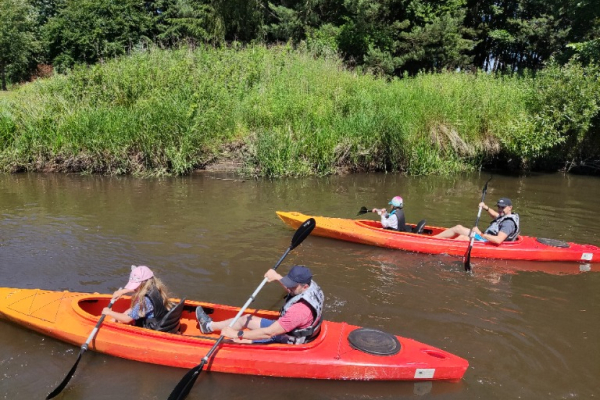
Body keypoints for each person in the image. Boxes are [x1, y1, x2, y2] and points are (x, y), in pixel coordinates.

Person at [195, 265, 324, 345]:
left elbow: (269, 333)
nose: (288, 287)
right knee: (245, 318)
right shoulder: (310, 285)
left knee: (235, 341)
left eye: (292, 286)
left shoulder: (299, 311)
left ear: (305, 286)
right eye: (288, 283)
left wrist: (237, 334)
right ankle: (208, 326)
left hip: (289, 339)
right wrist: (277, 277)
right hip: (295, 328)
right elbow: (292, 288)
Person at [102, 265, 173, 329]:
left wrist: (109, 312)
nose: (135, 288)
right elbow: (139, 289)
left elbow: (127, 319)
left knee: (128, 313)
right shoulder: (154, 286)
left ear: (143, 283)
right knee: (130, 310)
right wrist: (122, 291)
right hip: (159, 319)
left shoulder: (145, 301)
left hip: (151, 327)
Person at [433, 197, 520, 244]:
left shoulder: (508, 223)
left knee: (463, 238)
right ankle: (432, 239)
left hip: (487, 241)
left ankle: (439, 246)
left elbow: (498, 240)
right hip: (484, 237)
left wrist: (480, 233)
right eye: (499, 207)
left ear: (510, 208)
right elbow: (495, 215)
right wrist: (486, 207)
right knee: (458, 228)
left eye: (502, 207)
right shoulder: (504, 215)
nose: (500, 209)